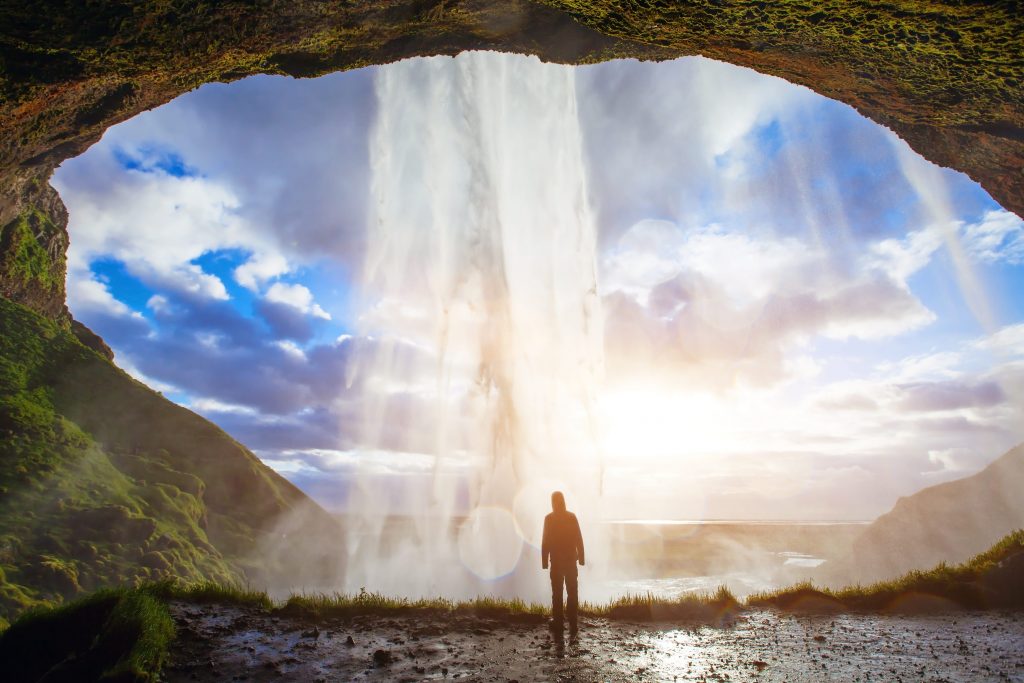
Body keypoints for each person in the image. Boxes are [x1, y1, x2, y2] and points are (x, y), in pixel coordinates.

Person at [541, 490, 585, 633]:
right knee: (572, 591)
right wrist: (582, 558)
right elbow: (579, 538)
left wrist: (544, 562)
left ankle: (558, 621)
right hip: (571, 561)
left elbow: (545, 541)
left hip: (557, 563)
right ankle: (573, 620)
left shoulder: (549, 519)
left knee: (558, 592)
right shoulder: (571, 517)